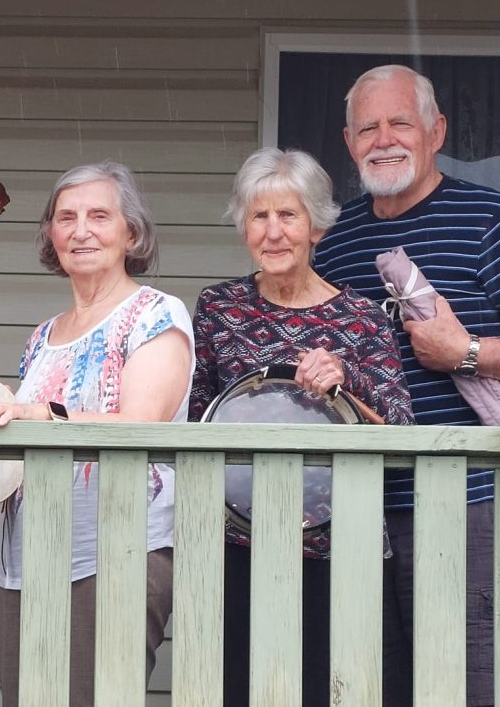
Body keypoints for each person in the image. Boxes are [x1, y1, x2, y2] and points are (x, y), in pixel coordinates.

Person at [314, 64, 500, 707]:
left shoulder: (491, 219)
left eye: (400, 123)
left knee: (466, 685)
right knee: (362, 684)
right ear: (349, 141)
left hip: (465, 496)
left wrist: (463, 353)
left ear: (435, 131)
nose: (384, 139)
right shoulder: (335, 242)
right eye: (368, 127)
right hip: (355, 501)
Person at [186, 147, 414, 707]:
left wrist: (346, 381)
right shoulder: (219, 307)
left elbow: (402, 433)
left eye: (288, 215)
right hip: (237, 540)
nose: (273, 231)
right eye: (259, 216)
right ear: (244, 227)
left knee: (332, 690)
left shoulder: (358, 318)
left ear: (316, 225)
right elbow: (194, 423)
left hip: (341, 546)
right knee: (237, 690)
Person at [0, 160, 193, 707]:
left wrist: (46, 415)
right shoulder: (44, 336)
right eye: (65, 218)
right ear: (51, 235)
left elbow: (141, 426)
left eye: (99, 215)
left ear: (131, 233)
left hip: (117, 552)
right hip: (27, 560)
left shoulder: (156, 315)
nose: (80, 230)